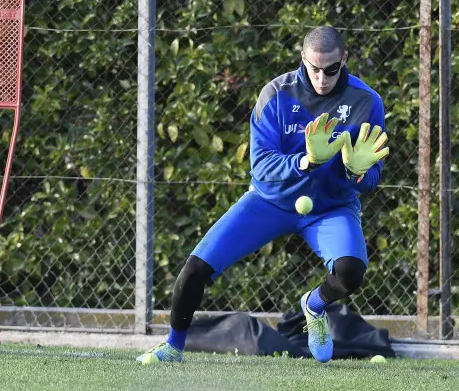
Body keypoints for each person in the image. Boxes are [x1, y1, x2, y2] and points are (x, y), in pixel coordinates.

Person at [138, 26, 389, 364]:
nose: (322, 78)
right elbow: (262, 166)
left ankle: (314, 306)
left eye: (331, 69)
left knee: (350, 271)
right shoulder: (275, 94)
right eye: (314, 68)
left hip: (330, 207)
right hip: (271, 200)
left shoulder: (367, 101)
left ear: (343, 59)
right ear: (303, 58)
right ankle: (172, 347)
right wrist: (307, 160)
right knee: (196, 269)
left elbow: (372, 176)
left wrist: (356, 172)